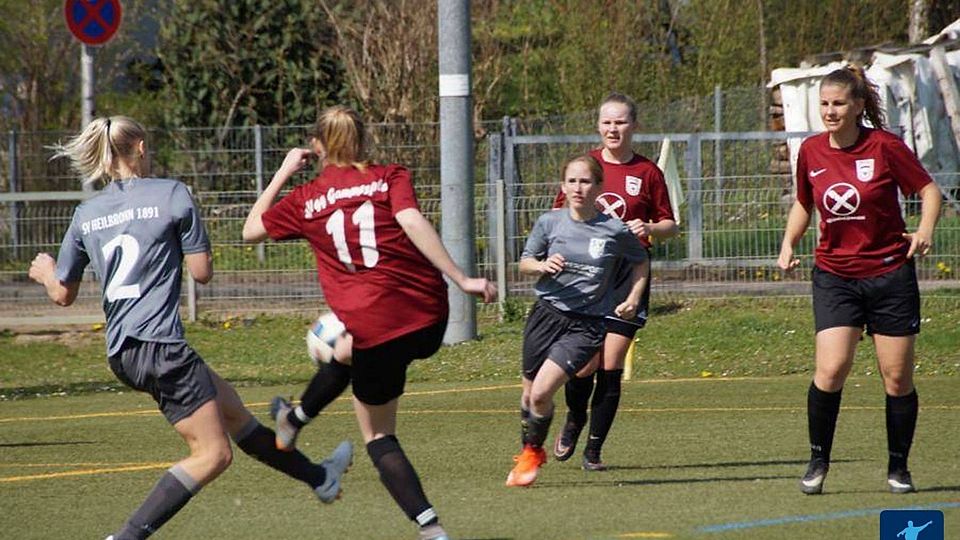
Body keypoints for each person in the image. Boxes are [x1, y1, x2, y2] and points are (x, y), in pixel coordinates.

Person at [28, 116, 352, 540]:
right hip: (161, 346)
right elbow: (202, 273)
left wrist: (47, 271)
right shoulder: (172, 194)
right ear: (141, 147)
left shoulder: (86, 213)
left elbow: (62, 295)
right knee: (213, 454)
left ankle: (318, 477)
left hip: (124, 351)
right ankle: (125, 537)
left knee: (234, 414)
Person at [242, 105, 496, 540]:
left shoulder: (306, 200)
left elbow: (250, 231)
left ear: (317, 146)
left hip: (375, 328)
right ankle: (295, 418)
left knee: (378, 436)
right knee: (345, 351)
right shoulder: (389, 176)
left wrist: (285, 171)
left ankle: (431, 530)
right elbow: (411, 220)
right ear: (363, 140)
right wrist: (461, 279)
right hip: (428, 316)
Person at [777, 65, 942, 495]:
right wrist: (789, 242)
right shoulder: (811, 151)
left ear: (858, 106)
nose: (830, 112)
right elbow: (803, 203)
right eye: (824, 104)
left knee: (896, 378)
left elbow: (929, 191)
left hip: (890, 275)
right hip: (836, 276)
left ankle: (898, 468)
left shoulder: (885, 147)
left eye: (838, 103)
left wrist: (924, 231)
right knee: (830, 369)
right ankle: (817, 460)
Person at [552, 92, 678, 470]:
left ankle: (594, 451)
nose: (613, 128)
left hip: (629, 278)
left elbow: (671, 225)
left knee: (611, 362)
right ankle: (575, 417)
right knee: (583, 365)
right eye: (607, 122)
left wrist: (651, 226)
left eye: (621, 122)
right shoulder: (585, 166)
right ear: (598, 126)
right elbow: (558, 218)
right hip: (588, 279)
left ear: (634, 126)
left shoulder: (648, 173)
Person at [506, 154, 649, 487]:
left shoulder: (613, 230)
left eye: (585, 181)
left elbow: (641, 262)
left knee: (541, 393)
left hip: (586, 325)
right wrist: (542, 266)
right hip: (545, 315)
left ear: (598, 186)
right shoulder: (549, 223)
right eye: (572, 181)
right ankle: (530, 449)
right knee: (528, 398)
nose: (578, 188)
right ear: (563, 186)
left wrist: (632, 298)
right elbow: (525, 261)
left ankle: (532, 453)